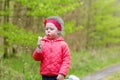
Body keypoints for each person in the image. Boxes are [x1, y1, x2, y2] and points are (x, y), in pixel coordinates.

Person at [33, 16, 71, 80]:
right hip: (45, 75)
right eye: (46, 29)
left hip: (57, 75)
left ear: (58, 31)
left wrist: (62, 73)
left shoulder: (63, 45)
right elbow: (36, 58)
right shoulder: (42, 43)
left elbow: (66, 60)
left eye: (51, 29)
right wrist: (38, 48)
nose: (48, 31)